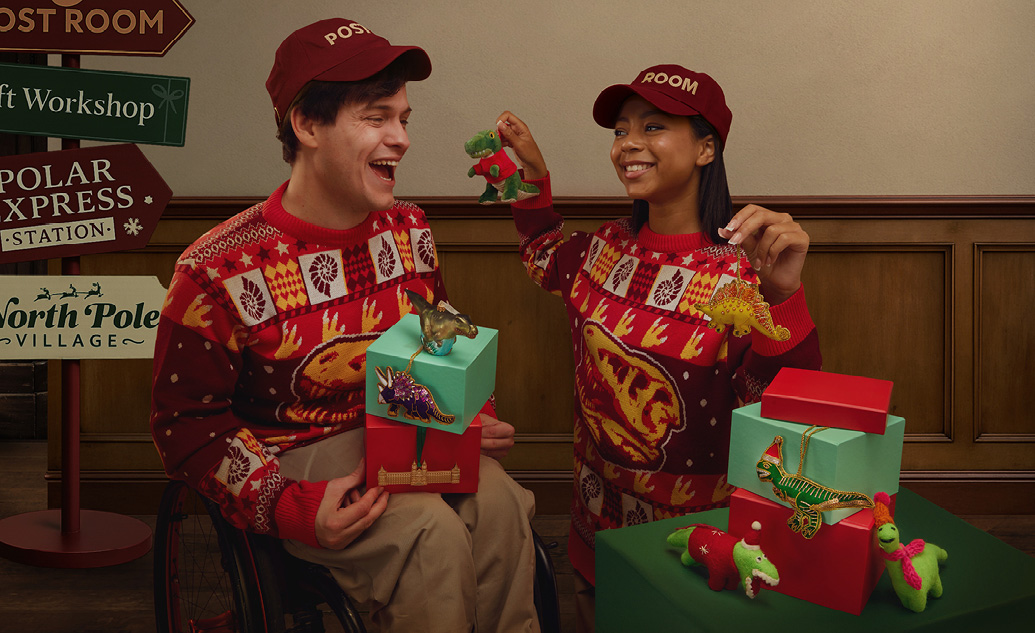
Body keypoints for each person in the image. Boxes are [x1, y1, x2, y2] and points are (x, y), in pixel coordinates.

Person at [150, 19, 539, 633]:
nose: (401, 138)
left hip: (405, 435)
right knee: (428, 535)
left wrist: (472, 408)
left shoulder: (409, 230)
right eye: (376, 117)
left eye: (404, 118)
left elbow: (442, 335)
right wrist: (286, 504)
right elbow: (185, 426)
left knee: (500, 506)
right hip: (293, 458)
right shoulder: (213, 270)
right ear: (307, 125)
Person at [496, 64, 822, 630]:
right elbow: (543, 253)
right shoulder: (604, 248)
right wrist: (534, 176)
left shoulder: (739, 279)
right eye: (621, 130)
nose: (629, 145)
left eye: (653, 128)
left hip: (693, 538)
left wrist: (784, 297)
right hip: (594, 517)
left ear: (705, 149)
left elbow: (777, 402)